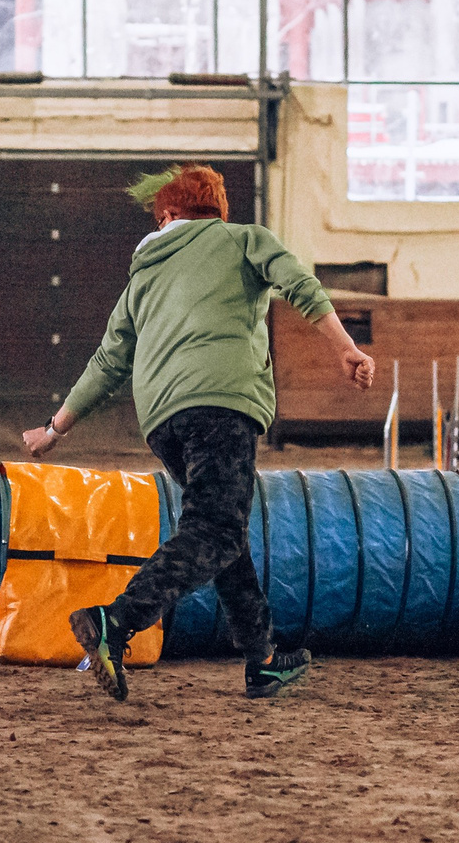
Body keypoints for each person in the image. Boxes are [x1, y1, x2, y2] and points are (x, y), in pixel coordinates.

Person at [23, 165, 375, 704]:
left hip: (163, 418)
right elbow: (299, 284)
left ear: (166, 216)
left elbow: (109, 359)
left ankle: (260, 658)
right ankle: (116, 621)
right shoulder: (243, 239)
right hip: (222, 405)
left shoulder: (142, 274)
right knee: (216, 529)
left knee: (222, 529)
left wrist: (54, 429)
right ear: (216, 211)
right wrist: (345, 346)